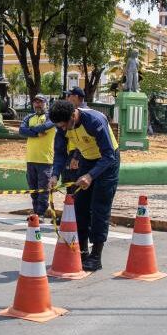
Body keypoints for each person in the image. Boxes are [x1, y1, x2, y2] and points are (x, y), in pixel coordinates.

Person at [49, 99, 119, 271]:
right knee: (80, 206)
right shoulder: (62, 126)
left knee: (99, 208)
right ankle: (82, 252)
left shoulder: (94, 121)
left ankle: (96, 256)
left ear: (73, 115)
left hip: (107, 163)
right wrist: (54, 175)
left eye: (65, 125)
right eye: (60, 126)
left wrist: (90, 176)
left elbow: (109, 155)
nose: (63, 129)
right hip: (86, 160)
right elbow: (59, 153)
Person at [18, 95, 57, 217]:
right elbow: (21, 130)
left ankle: (40, 214)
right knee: (33, 190)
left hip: (45, 160)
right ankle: (35, 212)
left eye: (40, 102)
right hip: (30, 159)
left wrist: (30, 130)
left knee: (43, 190)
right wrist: (36, 133)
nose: (38, 105)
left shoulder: (51, 117)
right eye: (35, 102)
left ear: (46, 103)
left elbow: (46, 126)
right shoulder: (29, 117)